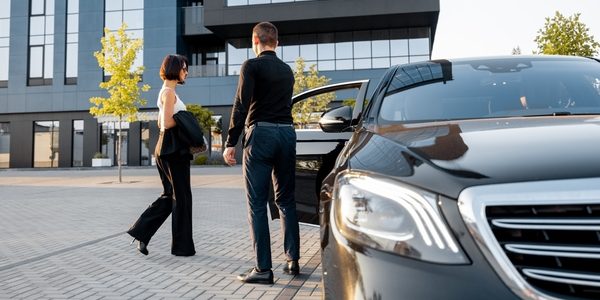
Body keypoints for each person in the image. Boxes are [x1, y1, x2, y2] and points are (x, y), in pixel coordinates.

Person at [223, 21, 300, 284]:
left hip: (262, 134)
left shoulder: (251, 66)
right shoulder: (287, 71)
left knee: (257, 204)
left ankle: (263, 269)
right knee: (286, 199)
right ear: (276, 42)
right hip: (287, 134)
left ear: (255, 40)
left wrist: (231, 141)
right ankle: (292, 261)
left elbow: (242, 104)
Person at [127, 54, 196, 257]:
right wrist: (187, 120)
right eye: (184, 68)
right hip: (173, 152)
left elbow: (159, 123)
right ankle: (182, 248)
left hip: (166, 149)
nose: (186, 72)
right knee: (181, 198)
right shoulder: (169, 93)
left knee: (170, 196)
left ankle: (141, 232)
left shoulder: (165, 92)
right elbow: (166, 123)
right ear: (175, 69)